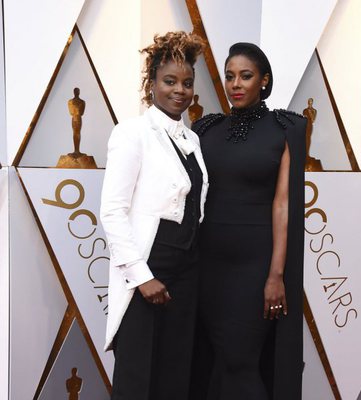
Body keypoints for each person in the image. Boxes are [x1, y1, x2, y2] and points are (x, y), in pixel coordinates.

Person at [191, 42, 306, 400]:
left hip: (256, 267)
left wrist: (276, 275)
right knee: (218, 361)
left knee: (242, 361)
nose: (235, 84)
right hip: (207, 266)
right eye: (229, 77)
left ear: (264, 81)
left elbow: (283, 205)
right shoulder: (204, 128)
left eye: (245, 76)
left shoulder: (287, 128)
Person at [100, 31, 207, 400]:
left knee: (175, 375)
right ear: (152, 84)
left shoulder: (191, 140)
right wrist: (142, 277)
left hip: (187, 271)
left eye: (187, 83)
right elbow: (112, 211)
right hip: (148, 266)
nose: (180, 90)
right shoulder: (132, 133)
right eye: (170, 81)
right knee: (137, 376)